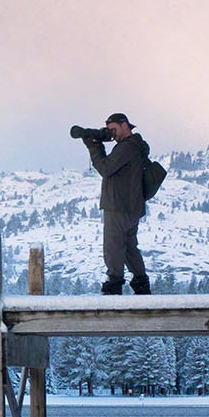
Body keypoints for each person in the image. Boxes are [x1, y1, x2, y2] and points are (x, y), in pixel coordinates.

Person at [82, 112, 151, 295]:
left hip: (118, 205)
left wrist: (94, 148)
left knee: (113, 246)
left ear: (125, 126)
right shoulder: (136, 146)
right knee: (129, 248)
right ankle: (141, 285)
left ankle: (114, 287)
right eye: (109, 130)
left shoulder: (127, 147)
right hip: (132, 207)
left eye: (114, 129)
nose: (112, 134)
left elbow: (106, 168)